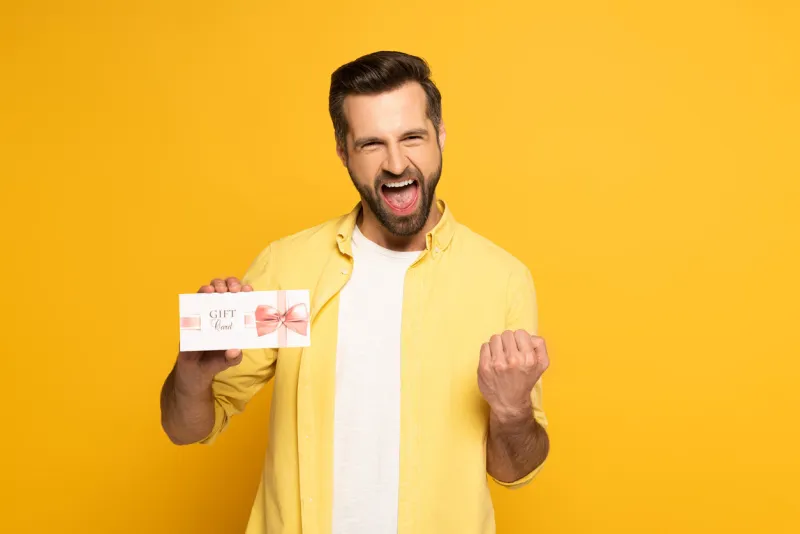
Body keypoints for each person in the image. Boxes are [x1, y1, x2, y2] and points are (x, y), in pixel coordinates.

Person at [160, 50, 551, 534]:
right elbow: (184, 427)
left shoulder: (500, 279)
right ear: (344, 153)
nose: (395, 163)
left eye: (412, 137)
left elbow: (514, 469)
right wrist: (193, 372)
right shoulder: (290, 266)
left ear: (441, 136)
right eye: (371, 144)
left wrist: (512, 411)